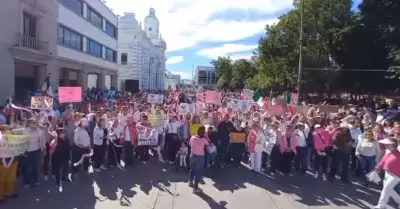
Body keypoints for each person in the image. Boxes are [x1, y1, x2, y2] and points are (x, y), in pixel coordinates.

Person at [374, 137, 400, 209]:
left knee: (386, 188)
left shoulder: (399, 154)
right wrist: (379, 166)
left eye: (388, 144)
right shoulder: (388, 151)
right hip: (387, 173)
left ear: (393, 144)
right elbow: (383, 160)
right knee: (389, 190)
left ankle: (381, 205)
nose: (386, 145)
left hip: (396, 175)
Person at [189, 126, 209, 193]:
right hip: (200, 157)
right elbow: (209, 143)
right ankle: (195, 188)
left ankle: (190, 182)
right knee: (198, 172)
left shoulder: (192, 137)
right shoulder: (203, 139)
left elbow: (190, 144)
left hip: (192, 155)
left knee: (192, 169)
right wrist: (206, 136)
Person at [50, 127, 71, 192]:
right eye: (62, 133)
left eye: (64, 132)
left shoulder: (66, 139)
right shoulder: (56, 140)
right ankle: (58, 181)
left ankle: (64, 178)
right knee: (57, 170)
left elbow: (68, 148)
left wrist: (69, 157)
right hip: (57, 157)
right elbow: (52, 147)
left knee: (66, 168)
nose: (63, 134)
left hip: (65, 156)